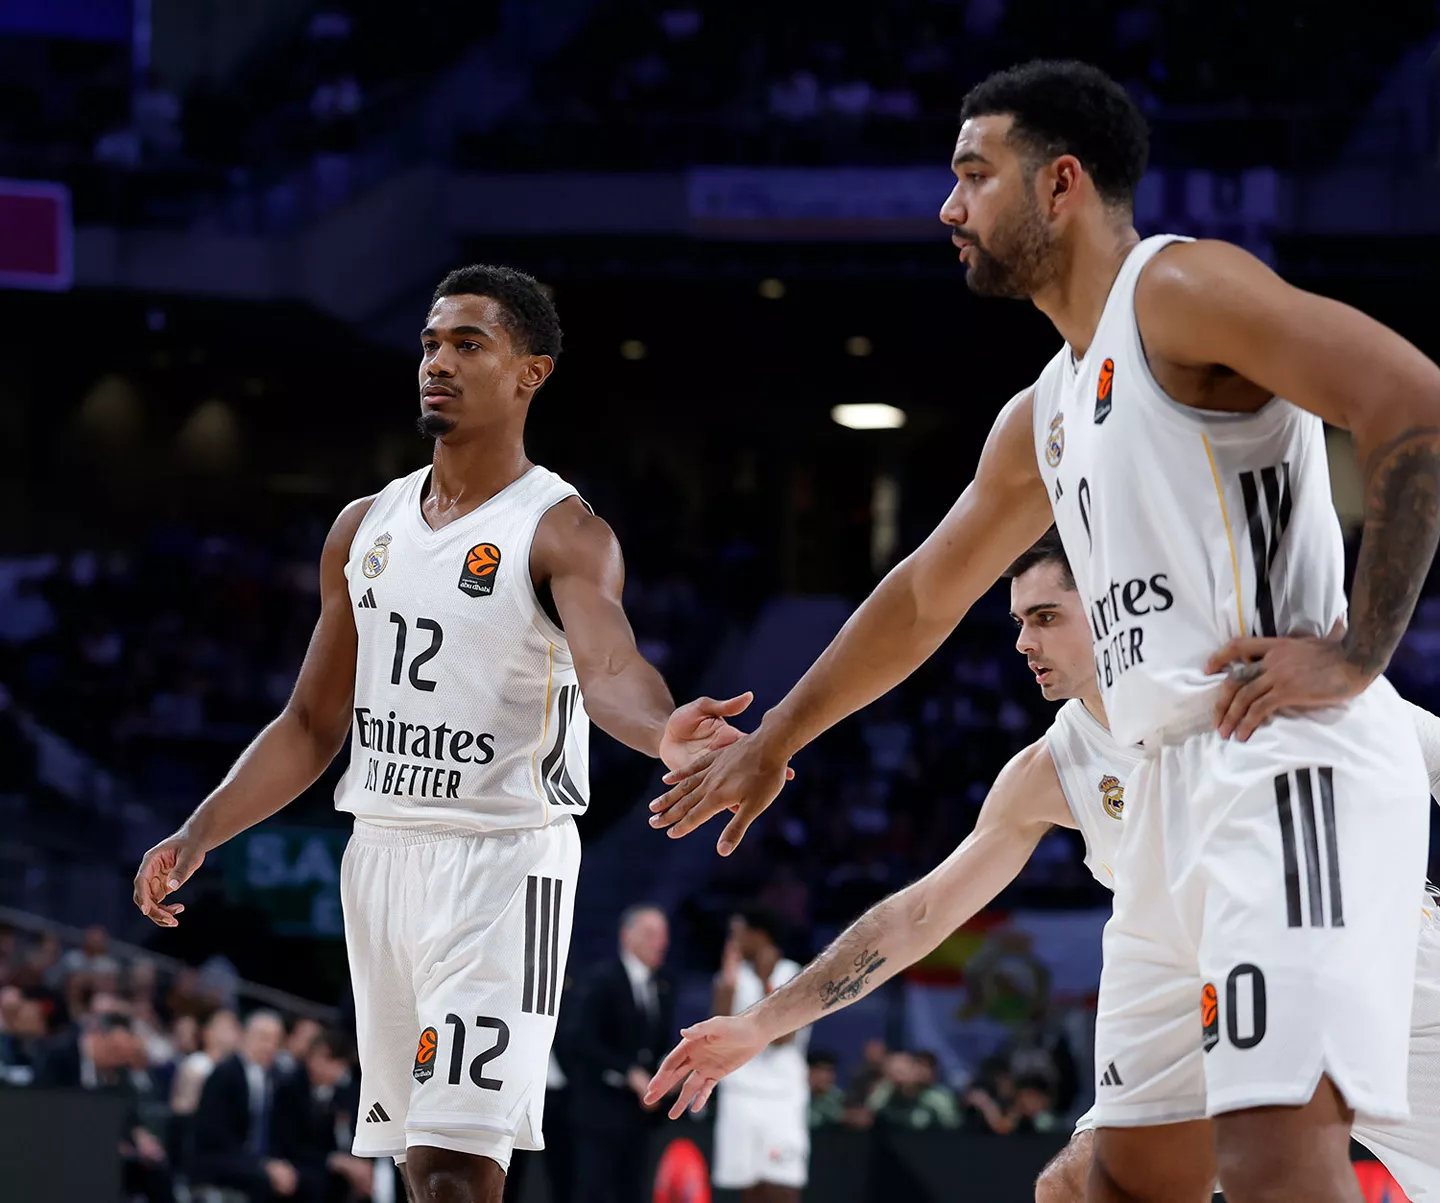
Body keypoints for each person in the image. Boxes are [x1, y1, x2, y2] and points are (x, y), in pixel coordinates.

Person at [648, 58, 1440, 1203]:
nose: (948, 206)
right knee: (1109, 1184)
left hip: (1281, 759)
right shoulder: (1046, 411)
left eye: (975, 175)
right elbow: (923, 595)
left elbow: (1410, 397)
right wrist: (776, 740)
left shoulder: (1181, 290)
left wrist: (1362, 646)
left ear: (1060, 183)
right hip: (1171, 790)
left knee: (1276, 1166)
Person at [132, 263, 759, 1203]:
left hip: (502, 862)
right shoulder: (363, 527)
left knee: (457, 1172)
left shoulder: (563, 530)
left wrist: (666, 730)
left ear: (530, 372)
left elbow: (614, 673)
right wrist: (200, 830)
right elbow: (309, 723)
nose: (439, 360)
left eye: (470, 343)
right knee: (422, 1171)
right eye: (430, 342)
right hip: (380, 856)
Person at [645, 532, 1440, 1201]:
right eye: (1020, 619)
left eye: (1047, 617)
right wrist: (760, 1022)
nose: (1023, 640)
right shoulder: (1047, 770)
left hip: (1387, 970)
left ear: (1112, 609)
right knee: (1072, 1187)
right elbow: (919, 916)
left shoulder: (1237, 680)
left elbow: (1421, 745)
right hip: (1203, 990)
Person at [564, 903, 675, 1203]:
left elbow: (659, 1043)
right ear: (627, 936)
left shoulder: (664, 984)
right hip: (598, 1110)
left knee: (634, 1192)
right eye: (652, 933)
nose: (661, 942)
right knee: (593, 1191)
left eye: (664, 934)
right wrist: (628, 1072)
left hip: (640, 1114)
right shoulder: (601, 980)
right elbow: (580, 1040)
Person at [710, 906, 809, 1203]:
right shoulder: (731, 977)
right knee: (747, 1186)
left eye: (738, 933)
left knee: (782, 1185)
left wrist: (767, 983)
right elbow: (716, 1040)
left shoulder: (793, 974)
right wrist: (726, 987)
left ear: (759, 935)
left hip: (781, 1098)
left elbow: (782, 1039)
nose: (733, 940)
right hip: (740, 1094)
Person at [38, 1011, 175, 1203]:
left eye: (122, 1055)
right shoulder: (58, 1056)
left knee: (156, 1169)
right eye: (114, 1050)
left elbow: (128, 1113)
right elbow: (46, 1112)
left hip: (111, 1152)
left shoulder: (116, 1068)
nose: (118, 1060)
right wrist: (102, 1141)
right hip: (64, 1147)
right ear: (95, 1037)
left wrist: (141, 1135)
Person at [193, 1010, 296, 1201]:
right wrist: (262, 1165)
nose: (270, 1046)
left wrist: (277, 1164)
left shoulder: (277, 1079)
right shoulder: (224, 1074)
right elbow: (214, 1134)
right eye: (264, 1038)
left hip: (259, 1159)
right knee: (263, 1180)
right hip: (222, 1156)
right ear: (245, 1036)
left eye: (276, 1041)